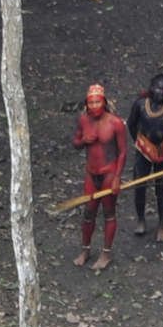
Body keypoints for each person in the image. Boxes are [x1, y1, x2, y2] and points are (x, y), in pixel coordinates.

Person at [71, 83, 127, 270]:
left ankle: (106, 253)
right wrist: (82, 141)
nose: (94, 106)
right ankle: (85, 250)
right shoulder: (83, 120)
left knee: (109, 212)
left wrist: (118, 177)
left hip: (108, 174)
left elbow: (123, 152)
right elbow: (75, 142)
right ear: (87, 104)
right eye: (91, 103)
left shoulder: (115, 123)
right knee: (88, 212)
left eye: (97, 102)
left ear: (104, 102)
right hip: (90, 173)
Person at [127, 73, 163, 242]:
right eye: (158, 87)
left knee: (162, 189)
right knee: (140, 186)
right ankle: (141, 220)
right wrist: (140, 142)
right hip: (143, 149)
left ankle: (162, 225)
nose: (161, 91)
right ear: (151, 88)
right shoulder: (140, 104)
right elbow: (131, 124)